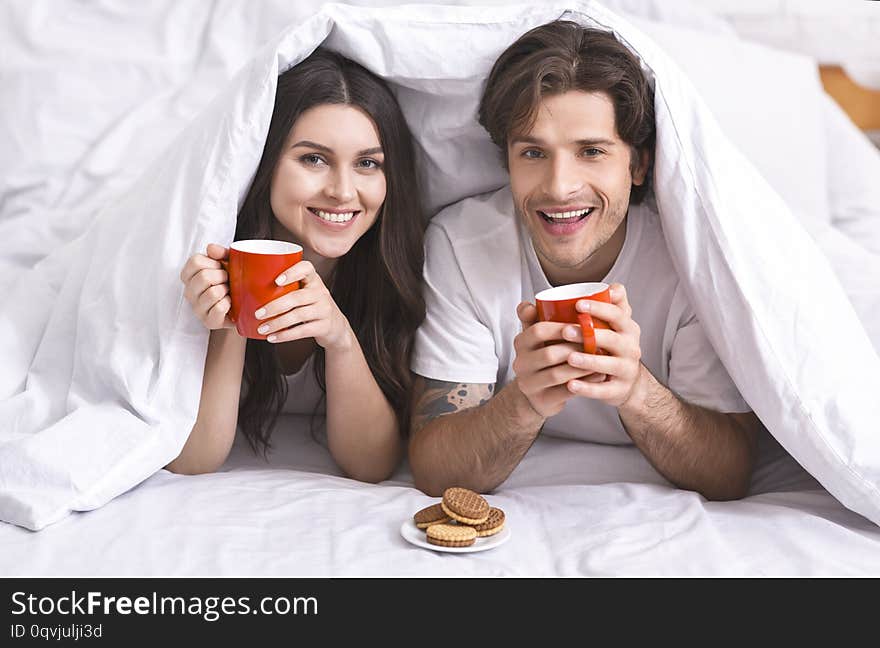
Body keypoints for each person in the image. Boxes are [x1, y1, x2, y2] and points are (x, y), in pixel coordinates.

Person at [408, 21, 764, 500]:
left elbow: (729, 473)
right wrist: (526, 399)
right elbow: (434, 472)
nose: (559, 186)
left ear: (637, 164)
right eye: (533, 152)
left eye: (591, 151)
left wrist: (636, 389)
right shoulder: (461, 244)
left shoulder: (688, 259)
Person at [168, 49, 425, 482]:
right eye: (314, 159)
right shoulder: (211, 255)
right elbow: (194, 461)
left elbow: (371, 466)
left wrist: (340, 338)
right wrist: (230, 321)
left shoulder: (394, 270)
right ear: (265, 164)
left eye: (367, 163)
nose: (344, 192)